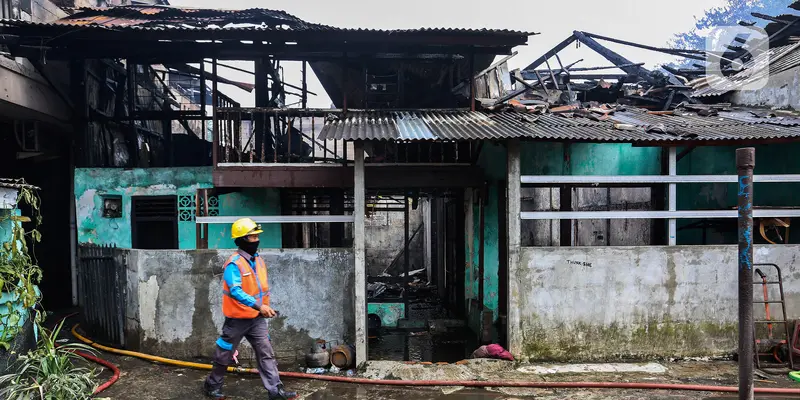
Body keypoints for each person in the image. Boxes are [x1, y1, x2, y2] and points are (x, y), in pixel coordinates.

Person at [204, 218, 297, 400]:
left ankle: (275, 391)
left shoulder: (259, 261)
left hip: (256, 319)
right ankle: (212, 386)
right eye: (251, 237)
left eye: (256, 237)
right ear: (240, 240)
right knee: (224, 355)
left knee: (266, 354)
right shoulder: (234, 264)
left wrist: (263, 308)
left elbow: (259, 289)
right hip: (237, 319)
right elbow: (236, 291)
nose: (256, 240)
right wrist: (259, 306)